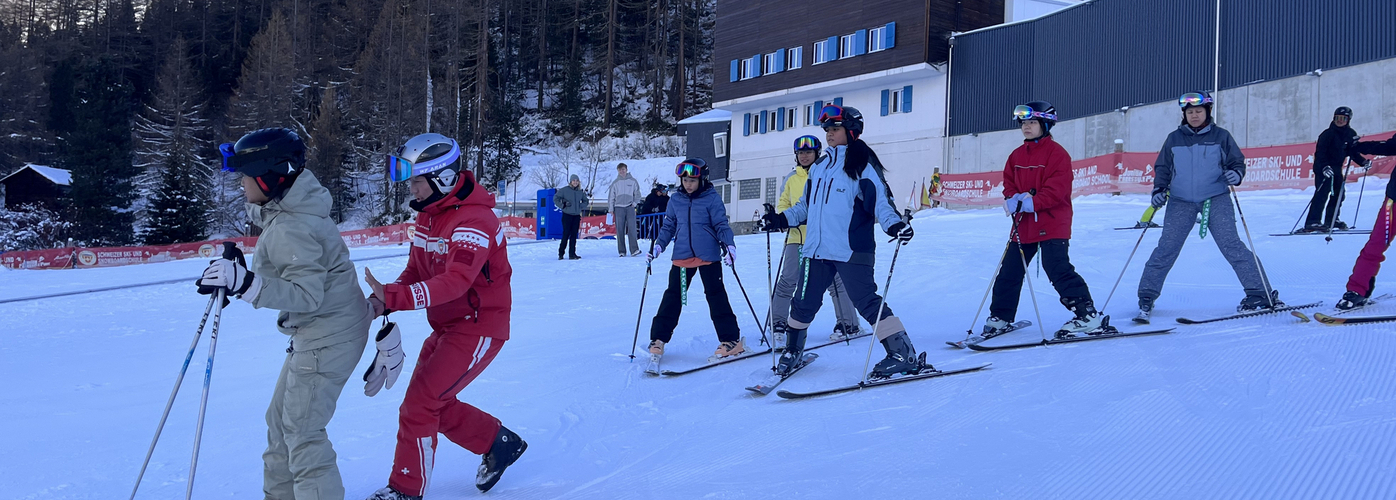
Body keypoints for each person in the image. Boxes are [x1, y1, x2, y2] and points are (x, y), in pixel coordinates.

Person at [198, 127, 372, 499]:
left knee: (303, 432)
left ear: (268, 176)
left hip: (328, 335)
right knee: (280, 426)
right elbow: (296, 271)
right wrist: (243, 273)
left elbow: (306, 295)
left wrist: (244, 285)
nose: (241, 184)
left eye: (245, 176)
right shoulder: (291, 209)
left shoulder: (291, 223)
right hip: (327, 330)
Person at [363, 133, 526, 499]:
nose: (412, 189)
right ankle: (498, 442)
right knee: (430, 403)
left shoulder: (474, 220)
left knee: (420, 405)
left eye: (418, 181)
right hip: (448, 325)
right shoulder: (429, 217)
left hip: (479, 326)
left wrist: (395, 297)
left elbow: (455, 282)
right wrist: (383, 302)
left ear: (444, 179)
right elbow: (417, 272)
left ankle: (405, 490)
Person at [760, 104, 921, 380]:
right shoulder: (820, 166)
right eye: (827, 129)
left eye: (834, 129)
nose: (829, 134)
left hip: (851, 248)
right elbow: (804, 207)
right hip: (816, 250)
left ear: (851, 131)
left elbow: (881, 202)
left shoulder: (862, 165)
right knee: (802, 302)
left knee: (866, 301)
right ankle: (793, 350)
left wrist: (895, 225)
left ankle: (902, 354)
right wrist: (779, 219)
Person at [1135, 91, 1282, 322]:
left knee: (1232, 246)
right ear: (1185, 114)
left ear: (1207, 112)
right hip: (1180, 201)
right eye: (1190, 112)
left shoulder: (1221, 136)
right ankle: (1146, 296)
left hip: (1216, 198)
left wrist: (1236, 173)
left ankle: (1259, 293)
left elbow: (1236, 162)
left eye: (1198, 111)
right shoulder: (1174, 138)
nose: (1194, 115)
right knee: (1166, 248)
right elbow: (1163, 167)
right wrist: (1158, 190)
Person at [981, 101, 1106, 338]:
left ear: (1045, 124)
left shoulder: (1057, 154)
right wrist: (1012, 198)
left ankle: (1087, 315)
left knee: (1056, 267)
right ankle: (1001, 316)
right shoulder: (1016, 155)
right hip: (1024, 224)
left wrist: (1032, 202)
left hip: (1052, 221)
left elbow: (1057, 190)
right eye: (1024, 123)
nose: (1026, 127)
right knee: (1009, 270)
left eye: (1032, 123)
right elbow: (1008, 182)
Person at [645, 158, 745, 362]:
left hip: (708, 256)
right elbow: (669, 226)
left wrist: (730, 246)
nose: (688, 184)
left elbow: (721, 225)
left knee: (716, 296)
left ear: (702, 179)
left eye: (692, 180)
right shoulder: (675, 199)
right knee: (673, 297)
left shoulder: (711, 198)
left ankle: (731, 341)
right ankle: (658, 339)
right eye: (684, 180)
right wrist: (658, 246)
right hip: (682, 256)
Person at [769, 134, 863, 349]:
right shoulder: (791, 178)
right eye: (801, 153)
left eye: (808, 152)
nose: (804, 156)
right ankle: (778, 323)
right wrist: (785, 218)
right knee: (788, 280)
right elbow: (784, 202)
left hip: (823, 238)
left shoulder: (825, 173)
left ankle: (848, 324)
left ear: (816, 153)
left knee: (835, 282)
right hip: (797, 238)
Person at [1335, 135, 1390, 310]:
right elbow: (1390, 146)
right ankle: (1358, 290)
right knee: (1376, 244)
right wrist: (1359, 146)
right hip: (1394, 202)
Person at [1301, 106, 1369, 232]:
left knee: (1339, 194)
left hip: (1337, 168)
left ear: (1348, 120)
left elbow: (1352, 152)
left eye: (1343, 118)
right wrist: (1324, 167)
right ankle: (1313, 221)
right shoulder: (1327, 134)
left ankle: (1331, 219)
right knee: (1322, 193)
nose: (1340, 120)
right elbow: (1320, 153)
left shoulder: (1350, 133)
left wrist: (1363, 162)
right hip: (1323, 167)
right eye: (1337, 118)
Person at [608, 163, 643, 257]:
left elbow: (637, 194)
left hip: (629, 207)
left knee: (632, 228)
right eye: (620, 170)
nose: (622, 171)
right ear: (618, 171)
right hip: (618, 207)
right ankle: (622, 251)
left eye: (623, 169)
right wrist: (611, 209)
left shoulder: (633, 181)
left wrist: (634, 204)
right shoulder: (615, 183)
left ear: (626, 170)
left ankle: (634, 249)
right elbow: (611, 197)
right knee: (620, 230)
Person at [554, 174, 588, 260]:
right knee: (566, 234)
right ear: (570, 182)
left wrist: (581, 206)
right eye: (574, 180)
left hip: (576, 216)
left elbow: (586, 201)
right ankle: (561, 253)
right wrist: (563, 205)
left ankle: (572, 254)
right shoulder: (565, 190)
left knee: (574, 235)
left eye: (577, 181)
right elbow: (555, 198)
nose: (575, 182)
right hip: (567, 215)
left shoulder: (580, 192)